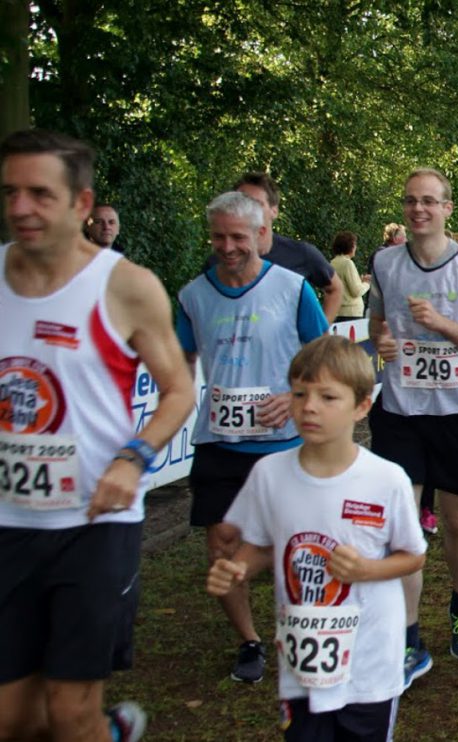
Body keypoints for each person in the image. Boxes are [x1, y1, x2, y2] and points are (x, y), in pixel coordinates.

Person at [0, 129, 194, 742]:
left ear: (82, 204)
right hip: (10, 523)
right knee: (14, 719)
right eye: (11, 192)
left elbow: (179, 390)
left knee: (70, 712)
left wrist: (134, 459)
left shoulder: (126, 286)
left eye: (40, 194)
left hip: (95, 524)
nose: (21, 208)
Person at [205, 336, 425, 741]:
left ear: (361, 406)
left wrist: (367, 568)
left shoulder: (386, 479)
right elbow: (261, 544)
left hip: (370, 662)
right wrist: (237, 568)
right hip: (301, 661)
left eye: (328, 397)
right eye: (300, 393)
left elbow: (413, 556)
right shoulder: (270, 474)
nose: (309, 407)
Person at [178, 191, 330, 683]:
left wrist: (296, 395)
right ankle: (249, 641)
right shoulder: (193, 295)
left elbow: (326, 356)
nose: (227, 247)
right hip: (219, 442)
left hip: (284, 442)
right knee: (221, 547)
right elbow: (177, 365)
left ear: (259, 236)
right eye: (219, 236)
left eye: (238, 237)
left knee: (297, 547)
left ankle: (308, 631)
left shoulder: (291, 287)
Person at [368, 168, 458, 684]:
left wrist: (441, 325)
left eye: (429, 201)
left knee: (456, 518)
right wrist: (380, 341)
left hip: (457, 412)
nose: (418, 209)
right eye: (410, 201)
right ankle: (407, 634)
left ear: (448, 208)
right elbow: (378, 323)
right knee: (403, 520)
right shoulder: (384, 263)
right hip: (401, 412)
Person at [228, 173, 344, 324]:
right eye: (242, 204)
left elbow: (335, 288)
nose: (249, 211)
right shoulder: (221, 258)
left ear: (274, 210)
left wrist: (317, 334)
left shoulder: (301, 253)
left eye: (257, 204)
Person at [330, 231, 370, 322]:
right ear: (350, 247)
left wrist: (360, 281)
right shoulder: (347, 264)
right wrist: (367, 283)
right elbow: (356, 291)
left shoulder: (333, 263)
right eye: (354, 245)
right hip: (351, 312)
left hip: (338, 310)